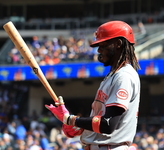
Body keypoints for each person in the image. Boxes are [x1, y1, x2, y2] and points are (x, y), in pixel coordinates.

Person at [45, 20, 141, 150]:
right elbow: (99, 122)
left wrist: (71, 119)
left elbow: (107, 124)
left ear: (118, 44)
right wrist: (78, 126)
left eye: (103, 45)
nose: (99, 50)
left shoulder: (124, 76)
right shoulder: (113, 75)